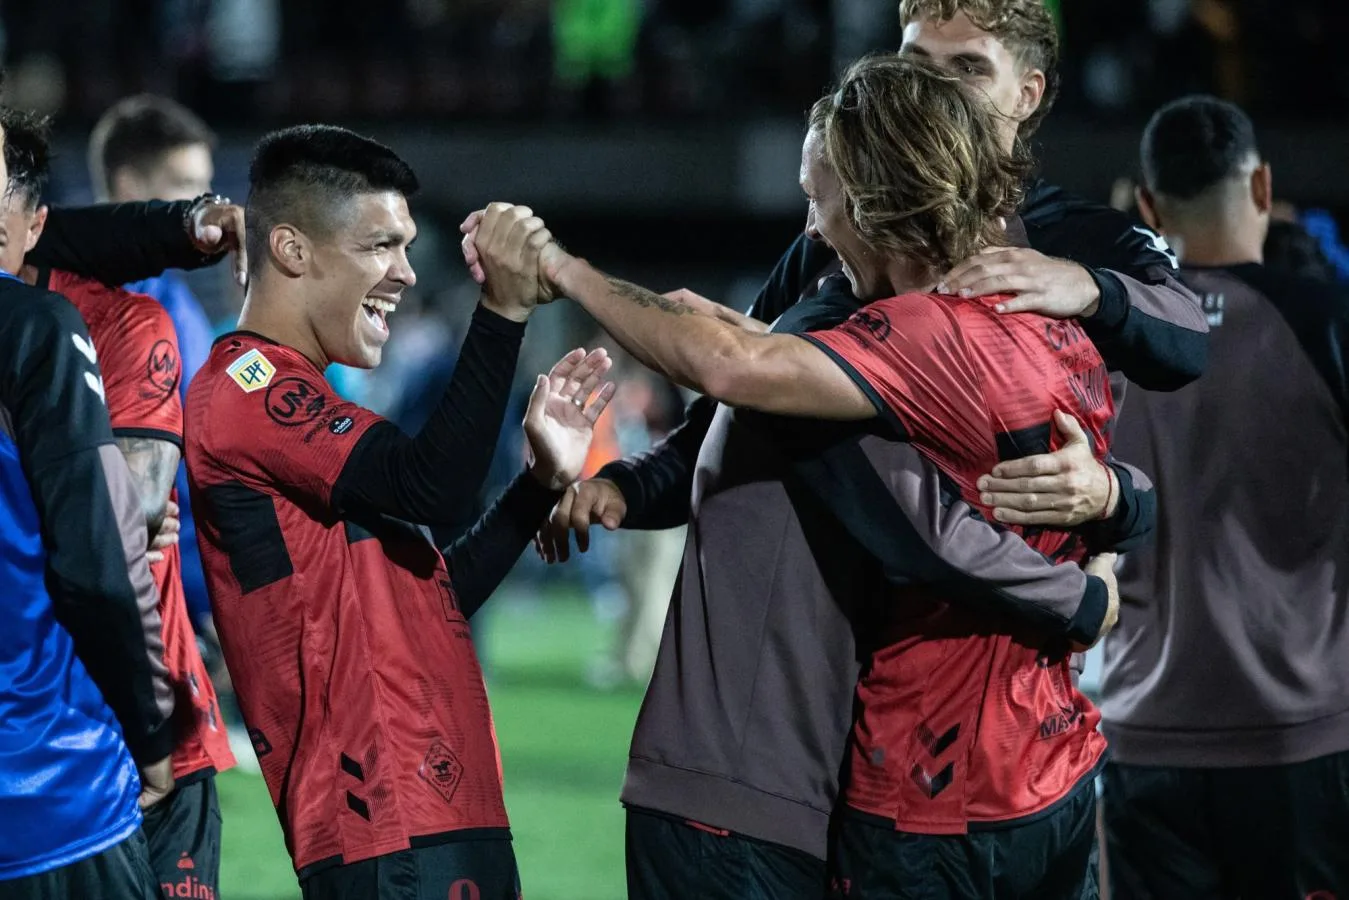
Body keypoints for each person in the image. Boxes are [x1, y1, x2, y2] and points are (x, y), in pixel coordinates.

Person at [461, 0, 1195, 893]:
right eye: (913, 65)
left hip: (912, 783)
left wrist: (1107, 532)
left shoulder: (1017, 293)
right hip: (1006, 760)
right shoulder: (1013, 314)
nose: (928, 91)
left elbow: (891, 494)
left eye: (963, 70)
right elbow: (745, 406)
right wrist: (630, 485)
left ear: (1027, 95)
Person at [184, 125, 614, 900]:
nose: (406, 273)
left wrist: (537, 486)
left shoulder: (308, 400)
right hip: (381, 818)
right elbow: (432, 487)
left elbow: (430, 603)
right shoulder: (247, 388)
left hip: (441, 806)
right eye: (380, 246)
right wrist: (501, 315)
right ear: (291, 250)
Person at [1094, 95, 1349, 899]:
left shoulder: (1105, 340)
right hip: (1299, 737)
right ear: (1263, 187)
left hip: (1140, 736)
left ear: (1145, 204)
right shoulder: (1324, 322)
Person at [2, 107, 238, 900]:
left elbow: (134, 525)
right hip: (76, 746)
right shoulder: (58, 323)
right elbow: (120, 529)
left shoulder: (141, 322)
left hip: (132, 708)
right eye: (186, 190)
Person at [89, 95, 227, 655]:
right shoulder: (86, 305)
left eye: (208, 188)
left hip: (179, 606)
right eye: (185, 186)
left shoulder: (177, 301)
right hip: (115, 613)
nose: (206, 209)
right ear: (129, 185)